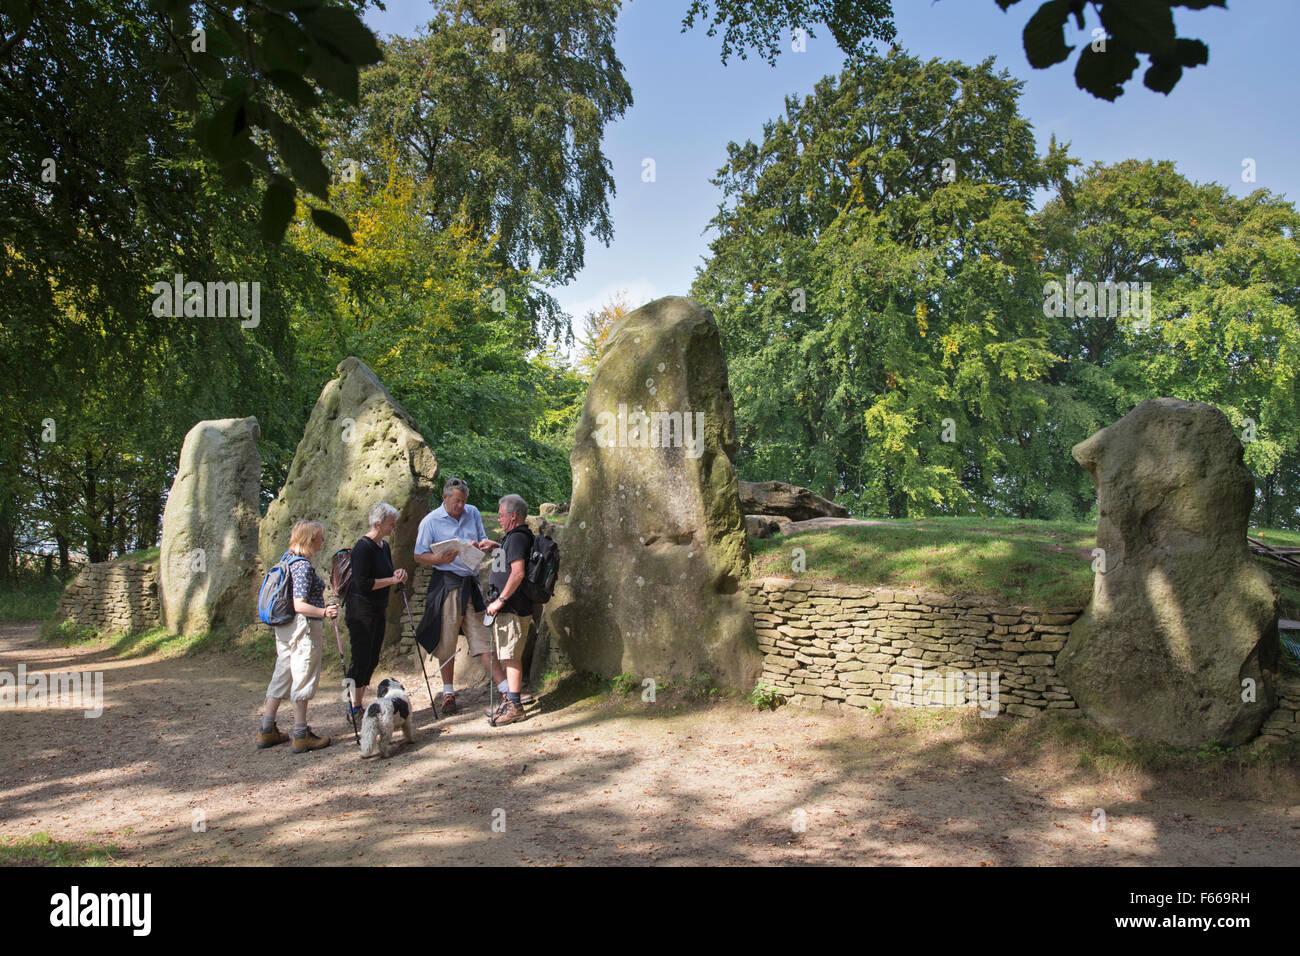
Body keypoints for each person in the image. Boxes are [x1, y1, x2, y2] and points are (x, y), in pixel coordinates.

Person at [412, 478, 497, 715]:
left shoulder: (473, 513)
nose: (461, 506)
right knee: (446, 639)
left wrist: (477, 545)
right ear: (445, 497)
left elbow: (481, 540)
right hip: (446, 583)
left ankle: (503, 688)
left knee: (482, 635)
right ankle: (448, 692)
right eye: (457, 501)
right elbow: (419, 555)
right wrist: (439, 559)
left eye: (463, 501)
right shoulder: (430, 521)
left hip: (471, 582)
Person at [258, 520, 337, 753]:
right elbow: (299, 604)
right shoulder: (302, 566)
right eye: (320, 538)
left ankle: (267, 729)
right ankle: (301, 734)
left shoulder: (286, 559)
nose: (323, 541)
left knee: (282, 674)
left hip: (284, 627)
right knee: (302, 676)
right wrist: (324, 612)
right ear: (310, 540)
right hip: (302, 628)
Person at [344, 502, 408, 722]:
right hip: (360, 610)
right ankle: (352, 705)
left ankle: (357, 703)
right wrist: (392, 579)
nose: (394, 527)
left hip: (378, 608)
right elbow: (362, 583)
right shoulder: (362, 547)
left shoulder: (384, 547)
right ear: (378, 524)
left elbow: (387, 572)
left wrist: (397, 573)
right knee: (359, 658)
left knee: (371, 658)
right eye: (391, 523)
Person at [485, 494, 534, 726]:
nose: (499, 519)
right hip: (512, 607)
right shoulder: (514, 538)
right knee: (508, 654)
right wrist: (496, 546)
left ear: (513, 516)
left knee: (511, 656)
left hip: (512, 608)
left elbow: (518, 572)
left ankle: (514, 706)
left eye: (501, 515)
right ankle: (510, 702)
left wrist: (500, 600)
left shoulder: (516, 538)